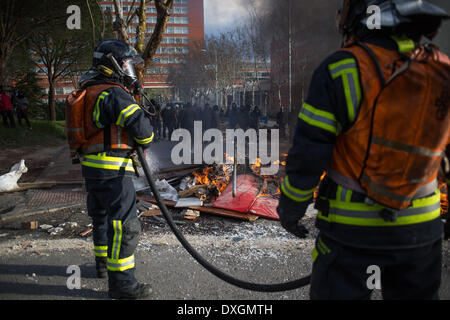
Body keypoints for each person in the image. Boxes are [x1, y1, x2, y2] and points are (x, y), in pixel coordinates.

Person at [277, 0, 450, 300]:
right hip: (422, 233)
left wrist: (291, 210)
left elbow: (308, 156)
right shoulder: (441, 68)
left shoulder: (342, 68)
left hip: (352, 236)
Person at [69, 39, 154, 299]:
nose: (130, 70)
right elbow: (144, 133)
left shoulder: (89, 89)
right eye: (128, 64)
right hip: (114, 171)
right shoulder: (113, 93)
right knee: (126, 226)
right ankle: (123, 285)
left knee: (102, 219)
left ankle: (103, 266)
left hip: (92, 170)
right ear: (114, 64)